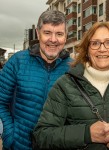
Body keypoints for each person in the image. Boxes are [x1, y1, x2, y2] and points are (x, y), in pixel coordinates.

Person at [33, 21, 109, 150]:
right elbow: (42, 136)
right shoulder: (64, 86)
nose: (102, 48)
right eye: (95, 43)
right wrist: (87, 134)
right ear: (87, 51)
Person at [0, 10, 71, 150]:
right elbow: (0, 102)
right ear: (38, 34)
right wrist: (9, 135)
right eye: (47, 33)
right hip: (19, 145)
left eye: (59, 34)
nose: (53, 39)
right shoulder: (17, 62)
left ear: (66, 36)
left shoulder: (74, 69)